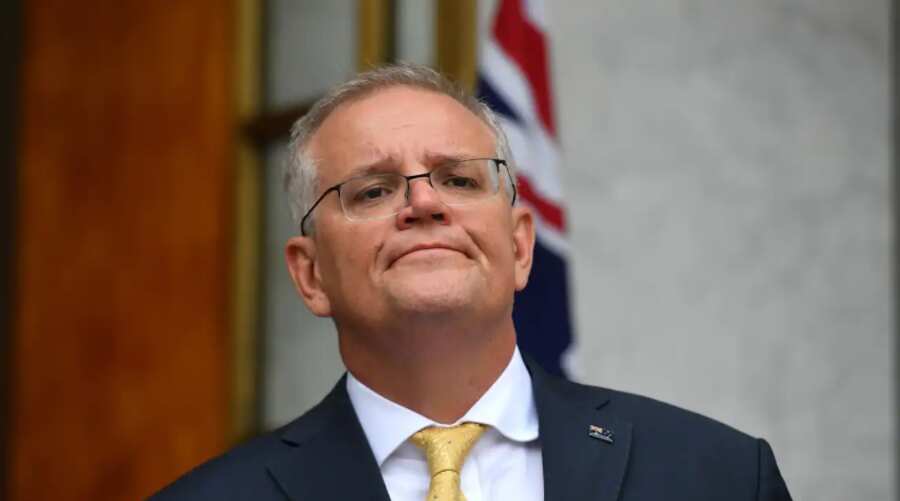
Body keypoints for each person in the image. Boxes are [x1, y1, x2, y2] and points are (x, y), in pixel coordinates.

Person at [151, 63, 792, 500]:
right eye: (373, 190)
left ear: (518, 246)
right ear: (311, 274)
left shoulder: (718, 475)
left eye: (459, 179)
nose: (423, 205)